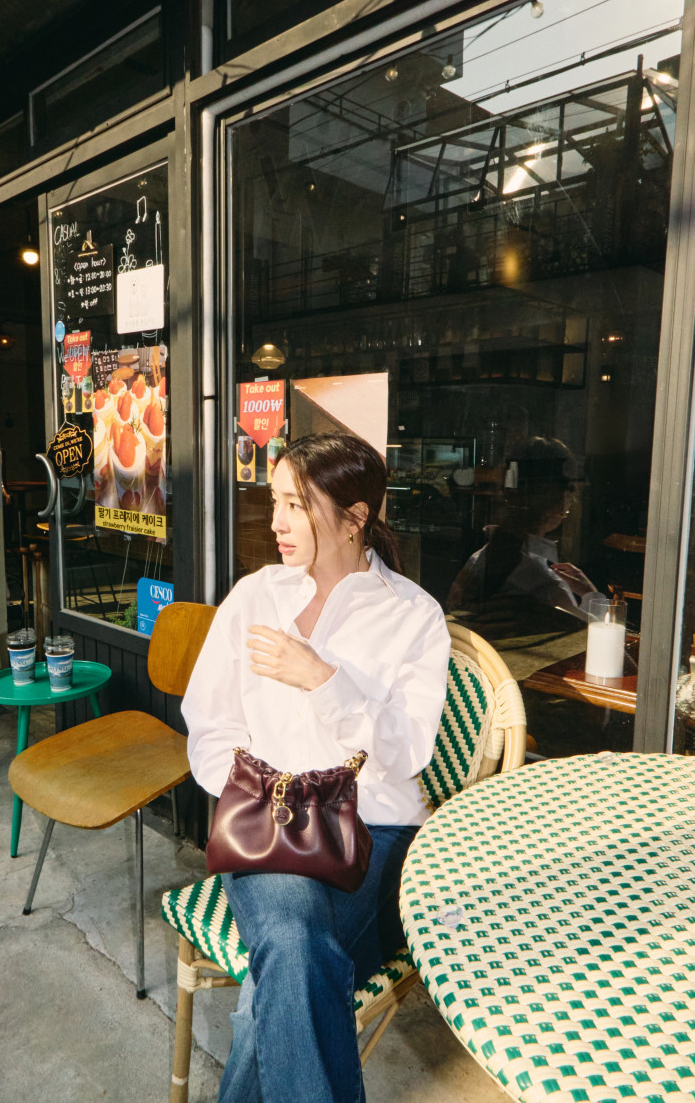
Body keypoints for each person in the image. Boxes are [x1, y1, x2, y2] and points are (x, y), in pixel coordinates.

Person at [182, 432, 450, 1103]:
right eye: (274, 501)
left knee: (277, 982)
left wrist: (324, 680)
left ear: (355, 517)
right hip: (266, 824)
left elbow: (408, 752)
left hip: (376, 831)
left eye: (296, 505)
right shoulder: (254, 597)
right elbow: (210, 723)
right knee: (295, 946)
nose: (275, 522)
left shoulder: (413, 616)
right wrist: (260, 792)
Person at [447, 436, 596, 623]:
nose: (572, 500)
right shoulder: (545, 583)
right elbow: (593, 637)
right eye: (572, 491)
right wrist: (592, 595)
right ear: (559, 501)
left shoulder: (478, 560)